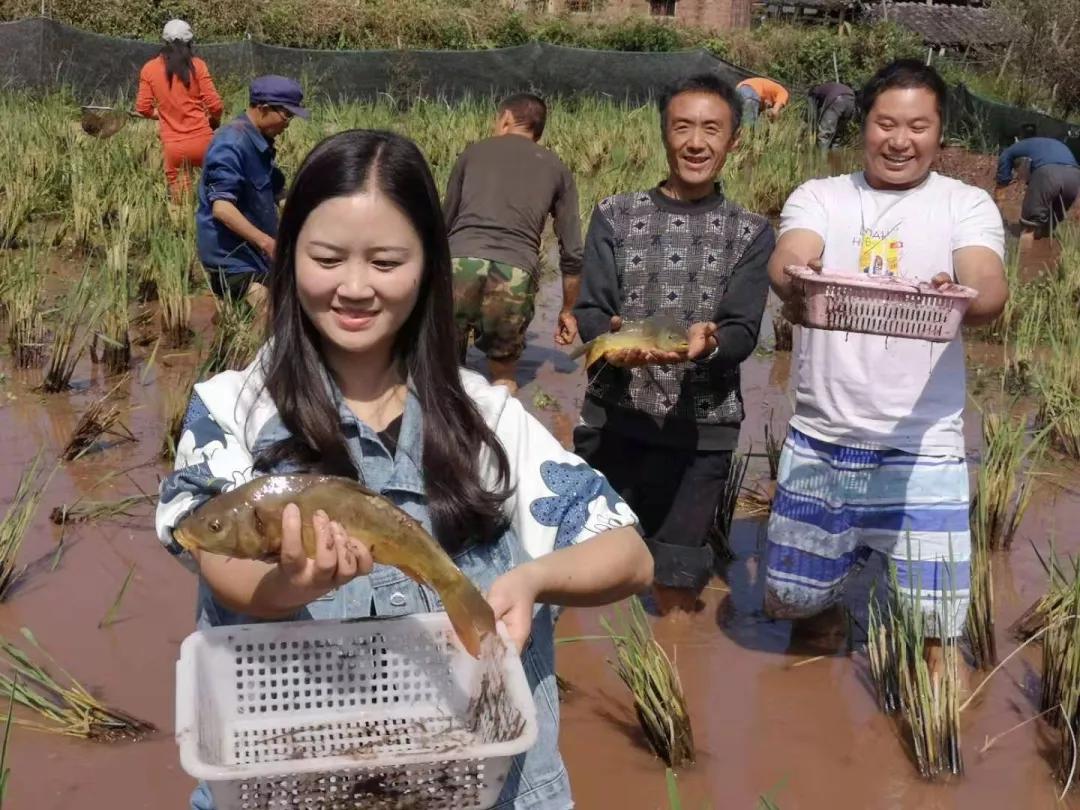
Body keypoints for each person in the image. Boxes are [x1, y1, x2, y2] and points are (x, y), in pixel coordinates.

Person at [155, 129, 653, 810]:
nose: (354, 287)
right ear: (289, 253)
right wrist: (288, 583)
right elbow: (219, 559)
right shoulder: (232, 410)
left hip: (472, 786)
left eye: (387, 260)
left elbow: (627, 553)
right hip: (295, 784)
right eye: (327, 257)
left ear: (428, 268)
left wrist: (535, 579)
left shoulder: (486, 418)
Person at [765, 60, 1008, 675]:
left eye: (918, 126)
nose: (900, 140)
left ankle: (936, 754)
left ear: (940, 132)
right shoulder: (820, 196)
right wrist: (795, 282)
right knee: (802, 609)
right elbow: (792, 256)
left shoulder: (966, 204)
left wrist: (959, 296)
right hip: (823, 437)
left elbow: (987, 285)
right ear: (863, 125)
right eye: (886, 124)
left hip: (923, 446)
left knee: (937, 629)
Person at [573, 74, 774, 616]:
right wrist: (608, 341)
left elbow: (741, 331)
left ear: (734, 140)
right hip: (615, 420)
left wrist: (707, 346)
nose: (695, 142)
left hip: (700, 433)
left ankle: (663, 679)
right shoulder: (614, 214)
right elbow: (592, 310)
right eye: (682, 126)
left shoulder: (752, 232)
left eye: (712, 129)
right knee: (588, 571)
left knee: (676, 579)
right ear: (664, 134)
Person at [444, 93, 583, 392]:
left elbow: (443, 224)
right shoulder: (557, 168)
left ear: (505, 118)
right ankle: (500, 432)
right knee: (503, 375)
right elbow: (572, 251)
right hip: (515, 272)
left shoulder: (473, 153)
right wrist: (567, 310)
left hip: (459, 263)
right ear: (539, 129)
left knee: (445, 369)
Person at [195, 75, 308, 307]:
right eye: (287, 115)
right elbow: (222, 209)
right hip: (232, 257)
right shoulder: (231, 144)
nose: (288, 124)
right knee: (266, 310)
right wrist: (268, 244)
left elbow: (278, 192)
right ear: (264, 109)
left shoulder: (260, 142)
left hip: (256, 255)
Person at [134, 19, 224, 198]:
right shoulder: (198, 65)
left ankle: (182, 226)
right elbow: (216, 106)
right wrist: (214, 121)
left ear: (164, 42)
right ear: (190, 42)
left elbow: (143, 108)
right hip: (204, 142)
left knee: (181, 203)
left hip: (173, 147)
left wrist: (161, 114)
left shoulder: (149, 69)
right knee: (216, 197)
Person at [994, 123, 1080, 250]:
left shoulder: (1018, 146)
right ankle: (1049, 265)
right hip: (1075, 177)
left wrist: (999, 200)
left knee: (1029, 228)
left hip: (1048, 175)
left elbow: (1004, 161)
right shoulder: (1052, 144)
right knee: (1048, 228)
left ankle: (1023, 266)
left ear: (1019, 138)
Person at [807, 81, 856, 152]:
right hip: (851, 101)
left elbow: (812, 112)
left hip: (837, 101)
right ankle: (834, 158)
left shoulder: (814, 92)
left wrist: (812, 124)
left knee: (824, 135)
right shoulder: (829, 87)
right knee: (837, 135)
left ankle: (821, 160)